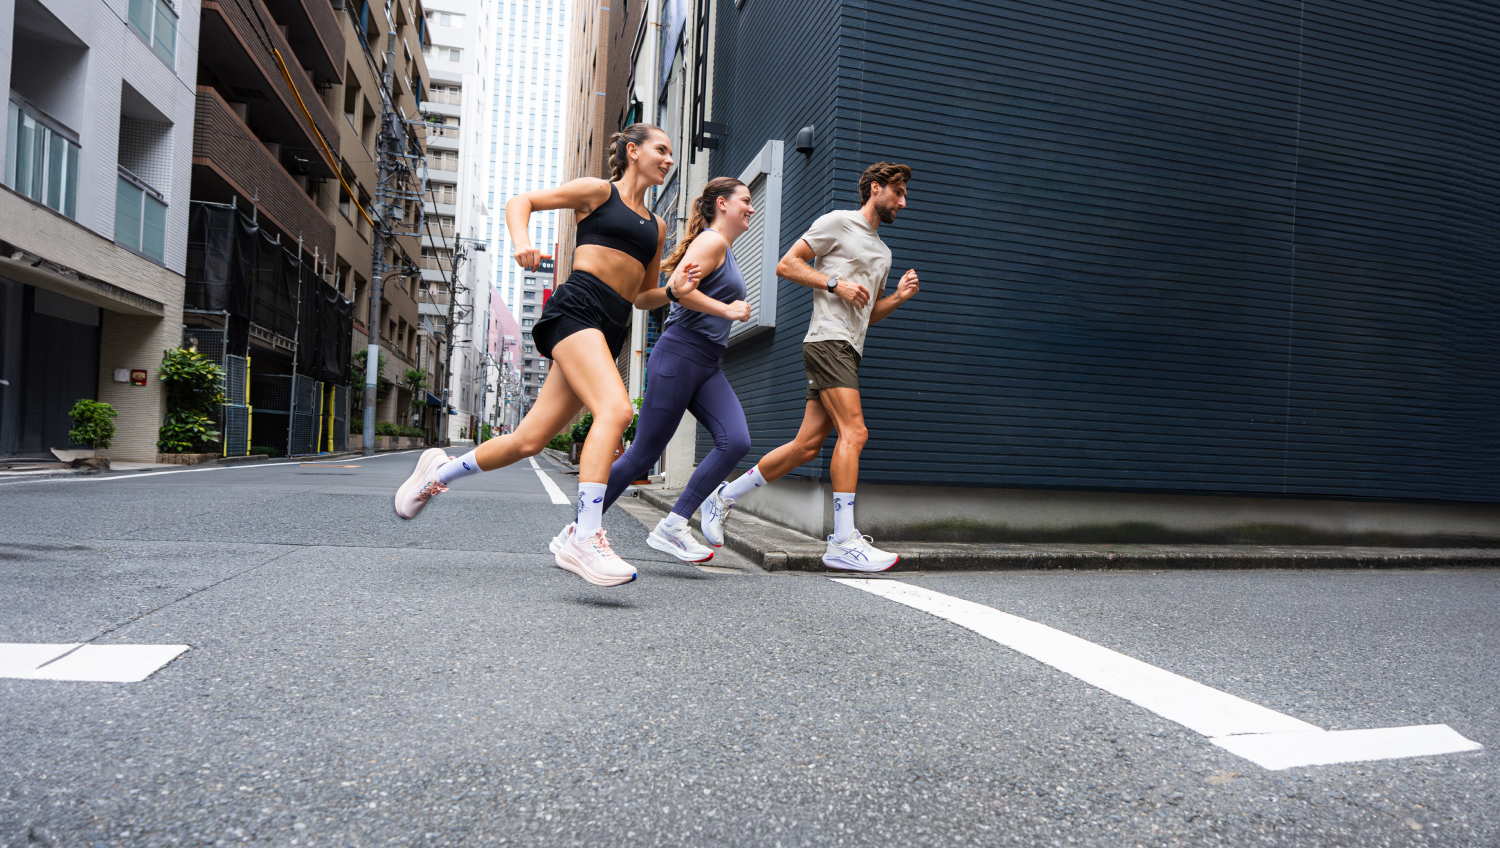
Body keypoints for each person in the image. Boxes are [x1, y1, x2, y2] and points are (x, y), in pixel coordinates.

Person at [393, 123, 700, 587]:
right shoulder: (599, 192)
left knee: (528, 441)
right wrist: (522, 243)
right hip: (577, 309)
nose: (669, 159)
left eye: (671, 153)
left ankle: (438, 472)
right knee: (615, 410)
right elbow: (522, 203)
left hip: (611, 325)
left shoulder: (656, 227)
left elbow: (641, 296)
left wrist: (673, 290)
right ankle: (585, 537)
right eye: (662, 149)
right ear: (633, 151)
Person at [701, 162, 920, 572]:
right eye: (898, 193)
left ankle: (723, 496)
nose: (903, 203)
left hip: (849, 347)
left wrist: (898, 298)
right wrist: (834, 283)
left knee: (806, 447)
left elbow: (867, 314)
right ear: (875, 189)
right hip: (827, 341)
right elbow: (788, 264)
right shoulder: (838, 223)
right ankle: (841, 541)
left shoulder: (884, 254)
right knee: (855, 432)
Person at [547, 178, 755, 564]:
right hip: (681, 354)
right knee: (643, 453)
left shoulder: (724, 247)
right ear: (722, 204)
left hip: (707, 361)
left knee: (736, 441)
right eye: (745, 200)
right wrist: (727, 309)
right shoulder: (710, 242)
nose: (751, 208)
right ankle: (576, 531)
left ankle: (674, 524)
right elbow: (678, 287)